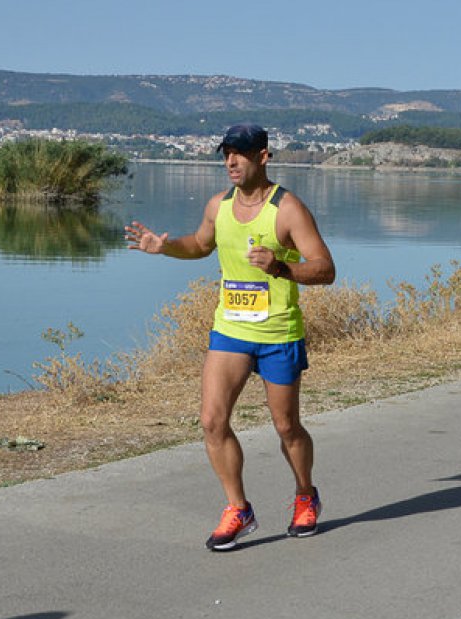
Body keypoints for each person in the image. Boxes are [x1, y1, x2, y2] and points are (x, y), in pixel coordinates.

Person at [125, 124, 337, 551]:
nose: (231, 162)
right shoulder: (218, 206)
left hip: (278, 332)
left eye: (240, 153)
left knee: (286, 426)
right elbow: (200, 244)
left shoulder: (288, 209)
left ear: (263, 157)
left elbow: (325, 269)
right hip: (231, 330)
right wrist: (164, 247)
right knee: (212, 421)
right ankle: (238, 509)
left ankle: (305, 495)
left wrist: (280, 267)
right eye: (226, 154)